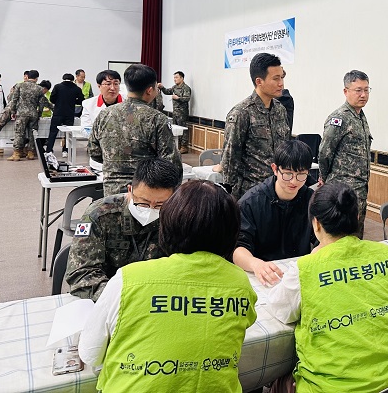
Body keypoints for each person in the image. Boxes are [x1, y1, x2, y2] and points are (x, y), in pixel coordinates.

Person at [79, 179, 257, 392]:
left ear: (169, 223)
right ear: (232, 232)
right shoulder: (240, 283)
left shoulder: (127, 279)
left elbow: (90, 354)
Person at [268, 181, 388, 392]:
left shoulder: (306, 269)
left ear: (316, 224)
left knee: (278, 380)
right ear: (356, 217)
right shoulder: (386, 254)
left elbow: (280, 309)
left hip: (329, 388)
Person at [66, 159, 180, 301]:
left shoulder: (176, 216)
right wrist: (124, 299)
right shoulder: (99, 214)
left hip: (159, 297)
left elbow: (187, 266)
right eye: (143, 203)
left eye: (159, 205)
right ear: (130, 190)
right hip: (111, 299)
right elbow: (81, 273)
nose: (151, 209)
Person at [232, 140, 317, 286]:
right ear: (275, 169)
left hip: (298, 275)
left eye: (301, 174)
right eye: (288, 174)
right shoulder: (251, 202)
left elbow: (325, 239)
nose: (294, 181)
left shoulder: (312, 200)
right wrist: (255, 264)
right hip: (261, 276)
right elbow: (237, 248)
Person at [89, 63, 182, 196]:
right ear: (149, 90)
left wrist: (115, 163)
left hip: (111, 191)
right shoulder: (156, 118)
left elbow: (94, 151)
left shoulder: (105, 114)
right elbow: (171, 162)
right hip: (146, 193)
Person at [220, 53, 291, 199]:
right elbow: (230, 157)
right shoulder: (241, 113)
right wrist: (229, 195)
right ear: (259, 81)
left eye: (282, 77)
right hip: (250, 192)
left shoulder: (280, 110)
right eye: (276, 78)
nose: (281, 84)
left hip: (277, 189)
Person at [318, 70, 373, 237]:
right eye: (358, 90)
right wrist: (324, 178)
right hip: (341, 191)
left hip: (359, 190)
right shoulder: (339, 118)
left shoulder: (360, 117)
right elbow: (325, 153)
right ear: (345, 91)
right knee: (340, 237)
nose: (363, 95)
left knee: (356, 235)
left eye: (366, 90)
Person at [6, 70, 52, 161]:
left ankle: (16, 154)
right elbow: (42, 102)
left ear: (27, 77)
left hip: (21, 114)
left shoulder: (20, 85)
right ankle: (31, 153)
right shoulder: (39, 88)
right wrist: (39, 113)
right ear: (36, 78)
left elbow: (14, 100)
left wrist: (13, 112)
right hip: (33, 113)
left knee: (19, 133)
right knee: (32, 134)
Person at [45, 73, 84, 155]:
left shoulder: (57, 87)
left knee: (53, 132)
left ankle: (49, 150)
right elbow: (81, 100)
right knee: (68, 133)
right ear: (73, 80)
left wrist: (58, 101)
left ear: (63, 78)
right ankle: (65, 150)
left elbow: (52, 99)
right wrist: (73, 101)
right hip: (70, 113)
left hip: (58, 112)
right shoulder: (76, 88)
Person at [158, 70, 192, 154]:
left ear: (182, 78)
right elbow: (167, 92)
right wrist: (162, 87)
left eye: (176, 77)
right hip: (175, 112)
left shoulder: (186, 88)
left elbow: (187, 98)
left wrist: (178, 98)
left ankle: (184, 146)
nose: (175, 79)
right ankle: (177, 146)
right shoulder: (174, 87)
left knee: (183, 129)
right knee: (175, 130)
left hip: (182, 113)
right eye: (174, 78)